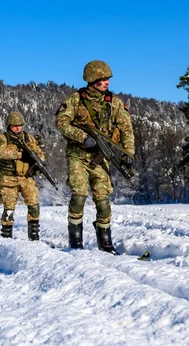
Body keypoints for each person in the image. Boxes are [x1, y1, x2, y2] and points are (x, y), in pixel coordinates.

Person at [56, 60, 134, 253]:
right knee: (79, 195)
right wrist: (83, 137)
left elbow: (126, 129)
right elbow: (62, 122)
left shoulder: (113, 103)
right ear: (92, 80)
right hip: (78, 156)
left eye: (107, 79)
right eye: (102, 79)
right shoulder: (75, 100)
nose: (106, 82)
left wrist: (127, 153)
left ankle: (105, 242)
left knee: (103, 200)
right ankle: (75, 241)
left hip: (101, 157)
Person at [0, 111, 46, 240]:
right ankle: (6, 237)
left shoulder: (28, 138)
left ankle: (34, 237)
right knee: (9, 208)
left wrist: (36, 157)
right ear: (9, 125)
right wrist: (20, 154)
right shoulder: (2, 138)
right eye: (14, 125)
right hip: (9, 178)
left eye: (20, 125)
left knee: (34, 205)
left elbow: (41, 154)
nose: (18, 128)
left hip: (27, 177)